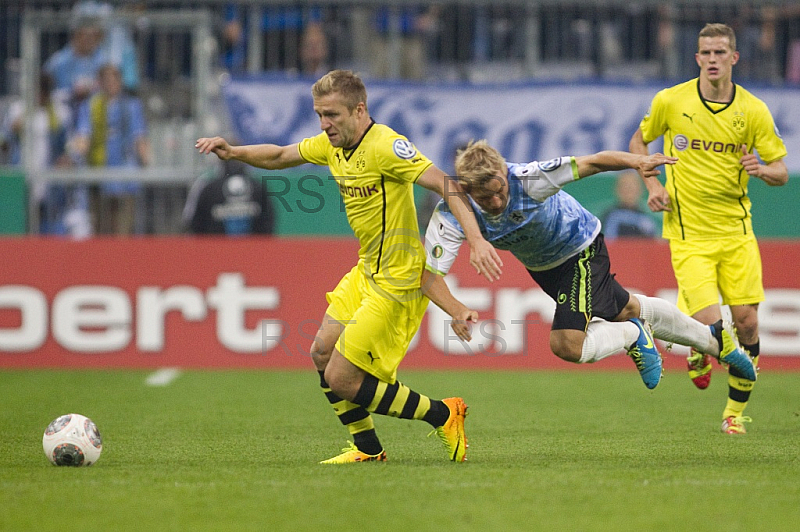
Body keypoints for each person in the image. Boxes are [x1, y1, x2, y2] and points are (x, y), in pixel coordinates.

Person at [196, 70, 503, 464]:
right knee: (321, 353)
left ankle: (445, 414)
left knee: (343, 378)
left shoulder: (388, 146)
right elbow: (279, 155)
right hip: (366, 271)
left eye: (332, 115)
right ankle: (368, 449)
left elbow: (448, 184)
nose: (324, 124)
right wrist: (234, 152)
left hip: (399, 281)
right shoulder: (331, 145)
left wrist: (476, 240)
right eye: (319, 115)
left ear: (359, 110)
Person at [421, 140, 757, 393]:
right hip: (544, 269)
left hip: (581, 246)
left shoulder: (527, 179)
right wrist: (456, 309)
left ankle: (633, 335)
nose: (495, 202)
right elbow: (429, 276)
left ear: (503, 174)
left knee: (566, 344)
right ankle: (716, 342)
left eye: (499, 191)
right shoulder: (452, 211)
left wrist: (637, 160)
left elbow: (593, 162)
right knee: (625, 306)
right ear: (466, 191)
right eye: (484, 198)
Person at [629, 23, 788, 434]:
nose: (713, 60)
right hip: (688, 234)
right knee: (714, 328)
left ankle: (734, 413)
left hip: (737, 231)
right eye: (706, 53)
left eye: (720, 53)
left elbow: (782, 171)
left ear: (734, 58)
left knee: (748, 323)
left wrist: (763, 170)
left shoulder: (752, 110)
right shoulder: (671, 100)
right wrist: (651, 184)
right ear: (697, 58)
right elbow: (638, 143)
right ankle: (698, 346)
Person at [73, 63, 151, 235]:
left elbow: (140, 137)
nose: (111, 84)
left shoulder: (132, 106)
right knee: (101, 229)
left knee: (123, 230)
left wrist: (146, 160)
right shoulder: (91, 106)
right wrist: (77, 153)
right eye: (106, 80)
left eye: (114, 79)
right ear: (99, 82)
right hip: (99, 175)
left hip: (126, 176)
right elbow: (83, 135)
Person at [183, 159, 275, 235]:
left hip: (215, 251)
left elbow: (194, 224)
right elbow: (268, 223)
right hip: (251, 251)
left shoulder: (209, 187)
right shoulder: (257, 186)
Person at [601, 170, 658, 239]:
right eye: (625, 187)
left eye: (632, 187)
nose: (629, 191)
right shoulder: (609, 217)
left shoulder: (647, 218)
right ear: (617, 189)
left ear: (641, 190)